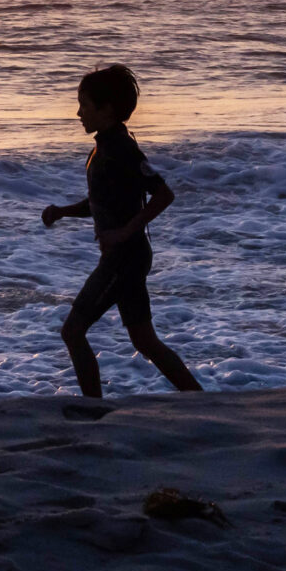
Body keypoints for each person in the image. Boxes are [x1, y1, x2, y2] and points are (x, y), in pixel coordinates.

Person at [41, 63, 203, 398]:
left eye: (85, 105)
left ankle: (93, 407)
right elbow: (99, 201)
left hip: (125, 258)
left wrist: (125, 232)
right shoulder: (102, 148)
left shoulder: (122, 149)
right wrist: (62, 212)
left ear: (107, 109)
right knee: (144, 340)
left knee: (73, 331)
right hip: (126, 256)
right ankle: (199, 398)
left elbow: (163, 194)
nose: (78, 113)